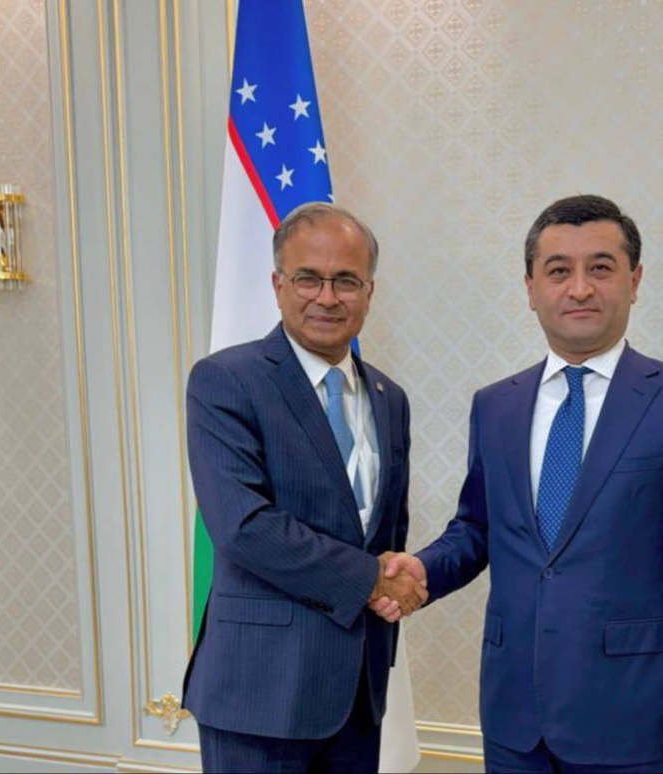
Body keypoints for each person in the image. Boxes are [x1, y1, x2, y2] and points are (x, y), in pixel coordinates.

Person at [374, 194, 663, 772]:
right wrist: (424, 568)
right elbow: (477, 528)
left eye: (600, 268)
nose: (579, 288)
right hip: (513, 715)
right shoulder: (495, 406)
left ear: (634, 280)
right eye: (558, 271)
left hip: (635, 715)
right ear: (530, 289)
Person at [182, 202, 427, 773]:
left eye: (346, 280)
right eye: (308, 279)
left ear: (369, 291)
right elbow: (244, 527)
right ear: (278, 285)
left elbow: (386, 530)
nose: (327, 297)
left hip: (359, 692)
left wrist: (395, 581)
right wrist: (373, 580)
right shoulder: (226, 380)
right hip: (260, 693)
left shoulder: (390, 398)